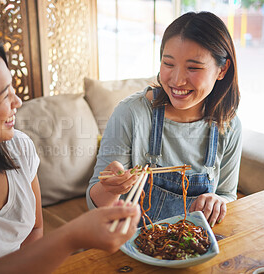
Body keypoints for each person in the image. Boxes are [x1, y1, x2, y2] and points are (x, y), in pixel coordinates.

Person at [0, 33, 140, 273]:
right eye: (3, 94)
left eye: (12, 88)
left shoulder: (18, 147)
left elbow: (34, 230)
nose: (17, 101)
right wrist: (71, 236)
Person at [87, 11, 242, 228]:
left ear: (222, 69)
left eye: (193, 67)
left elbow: (227, 194)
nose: (177, 80)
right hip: (132, 247)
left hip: (192, 247)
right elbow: (95, 204)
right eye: (168, 64)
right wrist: (111, 188)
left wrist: (219, 201)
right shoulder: (131, 113)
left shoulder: (229, 125)